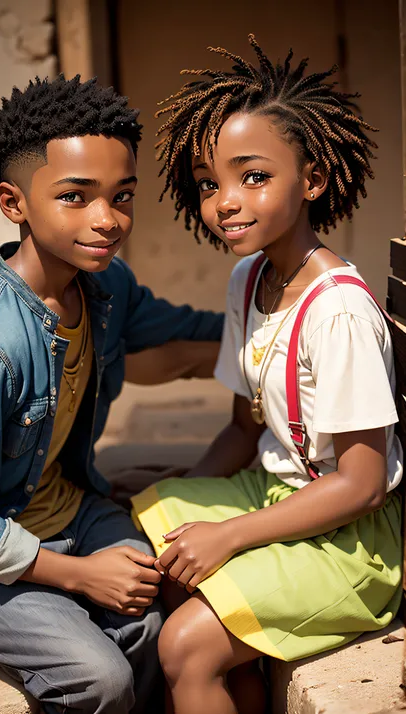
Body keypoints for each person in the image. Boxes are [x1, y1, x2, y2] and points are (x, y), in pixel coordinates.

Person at [0, 74, 223, 714]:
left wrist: (281, 317)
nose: (107, 220)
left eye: (122, 196)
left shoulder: (106, 287)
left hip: (76, 510)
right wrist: (79, 576)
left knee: (158, 621)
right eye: (75, 196)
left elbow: (188, 331)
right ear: (14, 203)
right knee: (100, 679)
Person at [131, 35, 403, 714]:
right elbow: (240, 428)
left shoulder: (337, 312)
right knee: (160, 549)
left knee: (185, 647)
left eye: (253, 176)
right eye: (207, 183)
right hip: (271, 492)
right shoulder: (247, 277)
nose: (225, 200)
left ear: (311, 180)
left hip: (348, 540)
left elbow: (364, 486)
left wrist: (225, 534)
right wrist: (184, 489)